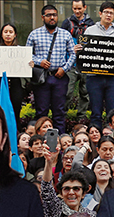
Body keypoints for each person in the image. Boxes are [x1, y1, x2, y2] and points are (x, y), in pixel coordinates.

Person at [26, 4, 76, 133]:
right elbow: (27, 54)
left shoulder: (65, 34)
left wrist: (64, 69)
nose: (52, 18)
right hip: (42, 78)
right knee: (41, 112)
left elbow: (73, 54)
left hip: (59, 77)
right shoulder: (34, 34)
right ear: (43, 17)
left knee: (59, 112)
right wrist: (39, 61)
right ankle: (40, 139)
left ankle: (60, 138)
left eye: (54, 15)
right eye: (48, 15)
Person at [81, 2, 114, 129]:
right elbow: (85, 52)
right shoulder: (90, 31)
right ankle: (96, 138)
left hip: (113, 78)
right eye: (106, 12)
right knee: (96, 112)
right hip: (94, 77)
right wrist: (79, 51)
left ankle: (112, 137)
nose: (108, 15)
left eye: (111, 13)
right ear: (100, 14)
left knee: (113, 113)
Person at [60, 0, 93, 124]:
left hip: (86, 64)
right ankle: (63, 118)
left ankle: (81, 119)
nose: (77, 11)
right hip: (71, 64)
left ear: (84, 7)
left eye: (79, 8)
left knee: (85, 93)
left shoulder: (91, 24)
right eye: (75, 8)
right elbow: (60, 42)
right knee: (67, 92)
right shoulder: (67, 23)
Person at [0, 23, 27, 117]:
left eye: (10, 32)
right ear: (1, 34)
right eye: (5, 32)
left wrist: (29, 64)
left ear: (15, 35)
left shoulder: (20, 50)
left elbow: (25, 67)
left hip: (15, 83)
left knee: (15, 110)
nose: (8, 34)